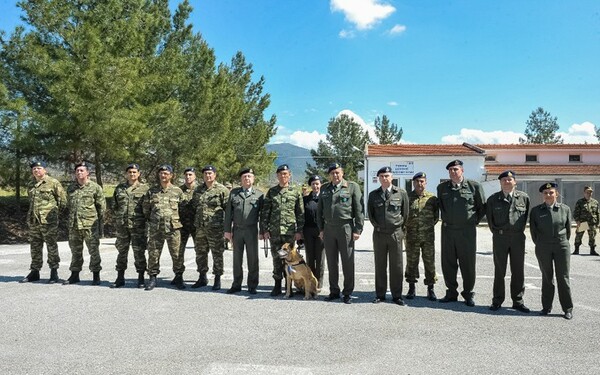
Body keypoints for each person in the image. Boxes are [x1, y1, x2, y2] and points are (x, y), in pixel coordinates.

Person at [436, 159, 486, 306]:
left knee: (468, 263)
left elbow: (481, 207)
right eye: (450, 170)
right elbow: (441, 206)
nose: (453, 172)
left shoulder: (474, 186)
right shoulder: (442, 188)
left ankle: (468, 293)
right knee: (448, 263)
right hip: (448, 230)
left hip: (466, 232)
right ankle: (451, 292)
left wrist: (472, 222)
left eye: (455, 169)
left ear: (462, 171)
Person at [317, 162, 364, 304]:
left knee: (348, 261)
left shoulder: (352, 186)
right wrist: (321, 229)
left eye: (337, 172)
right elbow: (319, 211)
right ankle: (334, 291)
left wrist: (358, 229)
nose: (335, 175)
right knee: (332, 262)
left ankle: (348, 292)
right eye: (332, 173)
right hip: (329, 229)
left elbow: (359, 209)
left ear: (342, 173)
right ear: (329, 175)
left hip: (346, 227)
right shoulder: (325, 188)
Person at [486, 171, 530, 313]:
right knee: (499, 270)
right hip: (500, 238)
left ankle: (517, 301)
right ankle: (497, 300)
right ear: (500, 182)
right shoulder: (493, 199)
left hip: (517, 238)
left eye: (509, 179)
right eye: (504, 179)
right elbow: (490, 220)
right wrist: (499, 233)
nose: (507, 182)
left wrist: (516, 232)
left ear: (515, 182)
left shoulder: (524, 198)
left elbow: (526, 218)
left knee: (518, 271)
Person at [530, 182, 573, 320]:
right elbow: (533, 231)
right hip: (543, 247)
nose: (548, 195)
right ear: (542, 195)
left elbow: (568, 230)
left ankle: (567, 308)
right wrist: (541, 243)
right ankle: (546, 307)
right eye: (546, 193)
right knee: (547, 278)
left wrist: (561, 241)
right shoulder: (536, 211)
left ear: (557, 194)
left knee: (563, 278)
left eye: (551, 192)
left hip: (561, 246)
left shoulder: (565, 209)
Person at [367, 166, 409, 305]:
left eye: (387, 176)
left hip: (395, 233)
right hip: (379, 234)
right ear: (379, 178)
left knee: (396, 266)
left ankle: (397, 295)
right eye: (382, 176)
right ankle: (380, 294)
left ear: (392, 177)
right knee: (380, 265)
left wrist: (399, 229)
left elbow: (405, 214)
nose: (384, 178)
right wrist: (378, 227)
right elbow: (371, 214)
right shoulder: (373, 195)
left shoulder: (401, 193)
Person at [261, 164, 304, 296]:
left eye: (285, 174)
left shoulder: (295, 192)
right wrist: (264, 229)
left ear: (289, 175)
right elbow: (265, 212)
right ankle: (277, 285)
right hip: (275, 232)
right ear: (277, 176)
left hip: (289, 232)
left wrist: (299, 231)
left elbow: (300, 213)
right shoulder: (271, 192)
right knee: (276, 258)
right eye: (280, 174)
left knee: (290, 258)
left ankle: (288, 285)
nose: (283, 176)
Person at [20, 161, 67, 284]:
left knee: (51, 245)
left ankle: (54, 271)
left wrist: (54, 215)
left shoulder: (53, 182)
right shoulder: (31, 184)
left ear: (45, 170)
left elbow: (63, 201)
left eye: (39, 168)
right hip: (34, 221)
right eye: (34, 168)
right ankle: (35, 271)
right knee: (35, 247)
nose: (36, 170)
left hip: (48, 221)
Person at [142, 165, 184, 291]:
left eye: (166, 173)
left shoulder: (177, 191)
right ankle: (152, 277)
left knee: (176, 254)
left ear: (171, 175)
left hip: (173, 228)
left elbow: (184, 209)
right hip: (156, 228)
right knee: (153, 253)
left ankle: (178, 277)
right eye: (161, 173)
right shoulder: (152, 191)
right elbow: (146, 209)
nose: (163, 175)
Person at [64, 162, 106, 285]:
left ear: (87, 172)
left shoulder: (95, 187)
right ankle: (74, 275)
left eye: (82, 170)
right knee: (75, 251)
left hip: (90, 225)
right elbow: (69, 205)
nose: (79, 173)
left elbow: (101, 207)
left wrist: (97, 223)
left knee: (93, 251)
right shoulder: (71, 188)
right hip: (74, 225)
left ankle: (96, 275)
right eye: (77, 171)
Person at [224, 167, 264, 294]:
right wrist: (227, 230)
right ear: (241, 180)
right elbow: (228, 213)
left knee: (253, 258)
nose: (247, 178)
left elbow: (262, 215)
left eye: (249, 176)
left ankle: (252, 285)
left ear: (253, 179)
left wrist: (262, 230)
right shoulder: (234, 193)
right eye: (244, 177)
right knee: (237, 258)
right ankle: (236, 284)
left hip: (251, 230)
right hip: (237, 230)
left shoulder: (259, 195)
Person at [111, 163, 149, 288]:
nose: (132, 174)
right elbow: (114, 206)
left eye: (134, 172)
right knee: (121, 252)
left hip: (138, 226)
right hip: (122, 226)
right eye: (130, 172)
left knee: (139, 252)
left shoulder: (145, 189)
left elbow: (148, 209)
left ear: (139, 174)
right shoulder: (119, 188)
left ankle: (141, 277)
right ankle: (120, 277)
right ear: (126, 174)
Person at [191, 165, 229, 290]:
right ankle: (202, 277)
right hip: (200, 228)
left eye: (210, 173)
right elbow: (195, 207)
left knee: (217, 253)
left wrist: (228, 229)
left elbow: (228, 210)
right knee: (200, 253)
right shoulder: (198, 190)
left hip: (216, 229)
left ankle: (217, 279)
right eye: (206, 173)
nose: (208, 175)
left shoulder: (222, 190)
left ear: (215, 175)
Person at [404, 172, 439, 301]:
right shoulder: (407, 198)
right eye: (417, 181)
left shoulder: (432, 198)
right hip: (411, 237)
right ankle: (411, 288)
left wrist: (426, 228)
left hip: (428, 237)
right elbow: (404, 216)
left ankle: (431, 289)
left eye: (422, 181)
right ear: (413, 183)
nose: (420, 183)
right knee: (411, 263)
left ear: (426, 182)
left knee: (429, 263)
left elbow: (436, 217)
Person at [302, 175, 325, 289]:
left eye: (317, 183)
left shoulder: (325, 198)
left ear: (320, 184)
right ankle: (310, 282)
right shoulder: (305, 199)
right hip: (308, 231)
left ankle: (319, 283)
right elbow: (302, 216)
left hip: (321, 231)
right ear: (310, 186)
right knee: (310, 257)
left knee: (320, 257)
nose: (315, 186)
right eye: (313, 184)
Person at [177, 167, 199, 283]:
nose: (188, 177)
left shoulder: (200, 190)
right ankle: (178, 274)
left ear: (195, 176)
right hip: (182, 226)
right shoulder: (178, 191)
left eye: (190, 174)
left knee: (200, 251)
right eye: (186, 175)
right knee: (178, 251)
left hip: (197, 226)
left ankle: (202, 275)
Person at [572, 186, 599, 256]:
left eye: (590, 192)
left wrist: (598, 223)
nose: (589, 194)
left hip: (592, 222)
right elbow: (575, 213)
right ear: (584, 193)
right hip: (583, 222)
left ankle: (592, 250)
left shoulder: (595, 202)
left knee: (592, 237)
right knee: (578, 236)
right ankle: (576, 249)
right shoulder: (580, 202)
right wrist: (577, 221)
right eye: (587, 192)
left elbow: (598, 213)